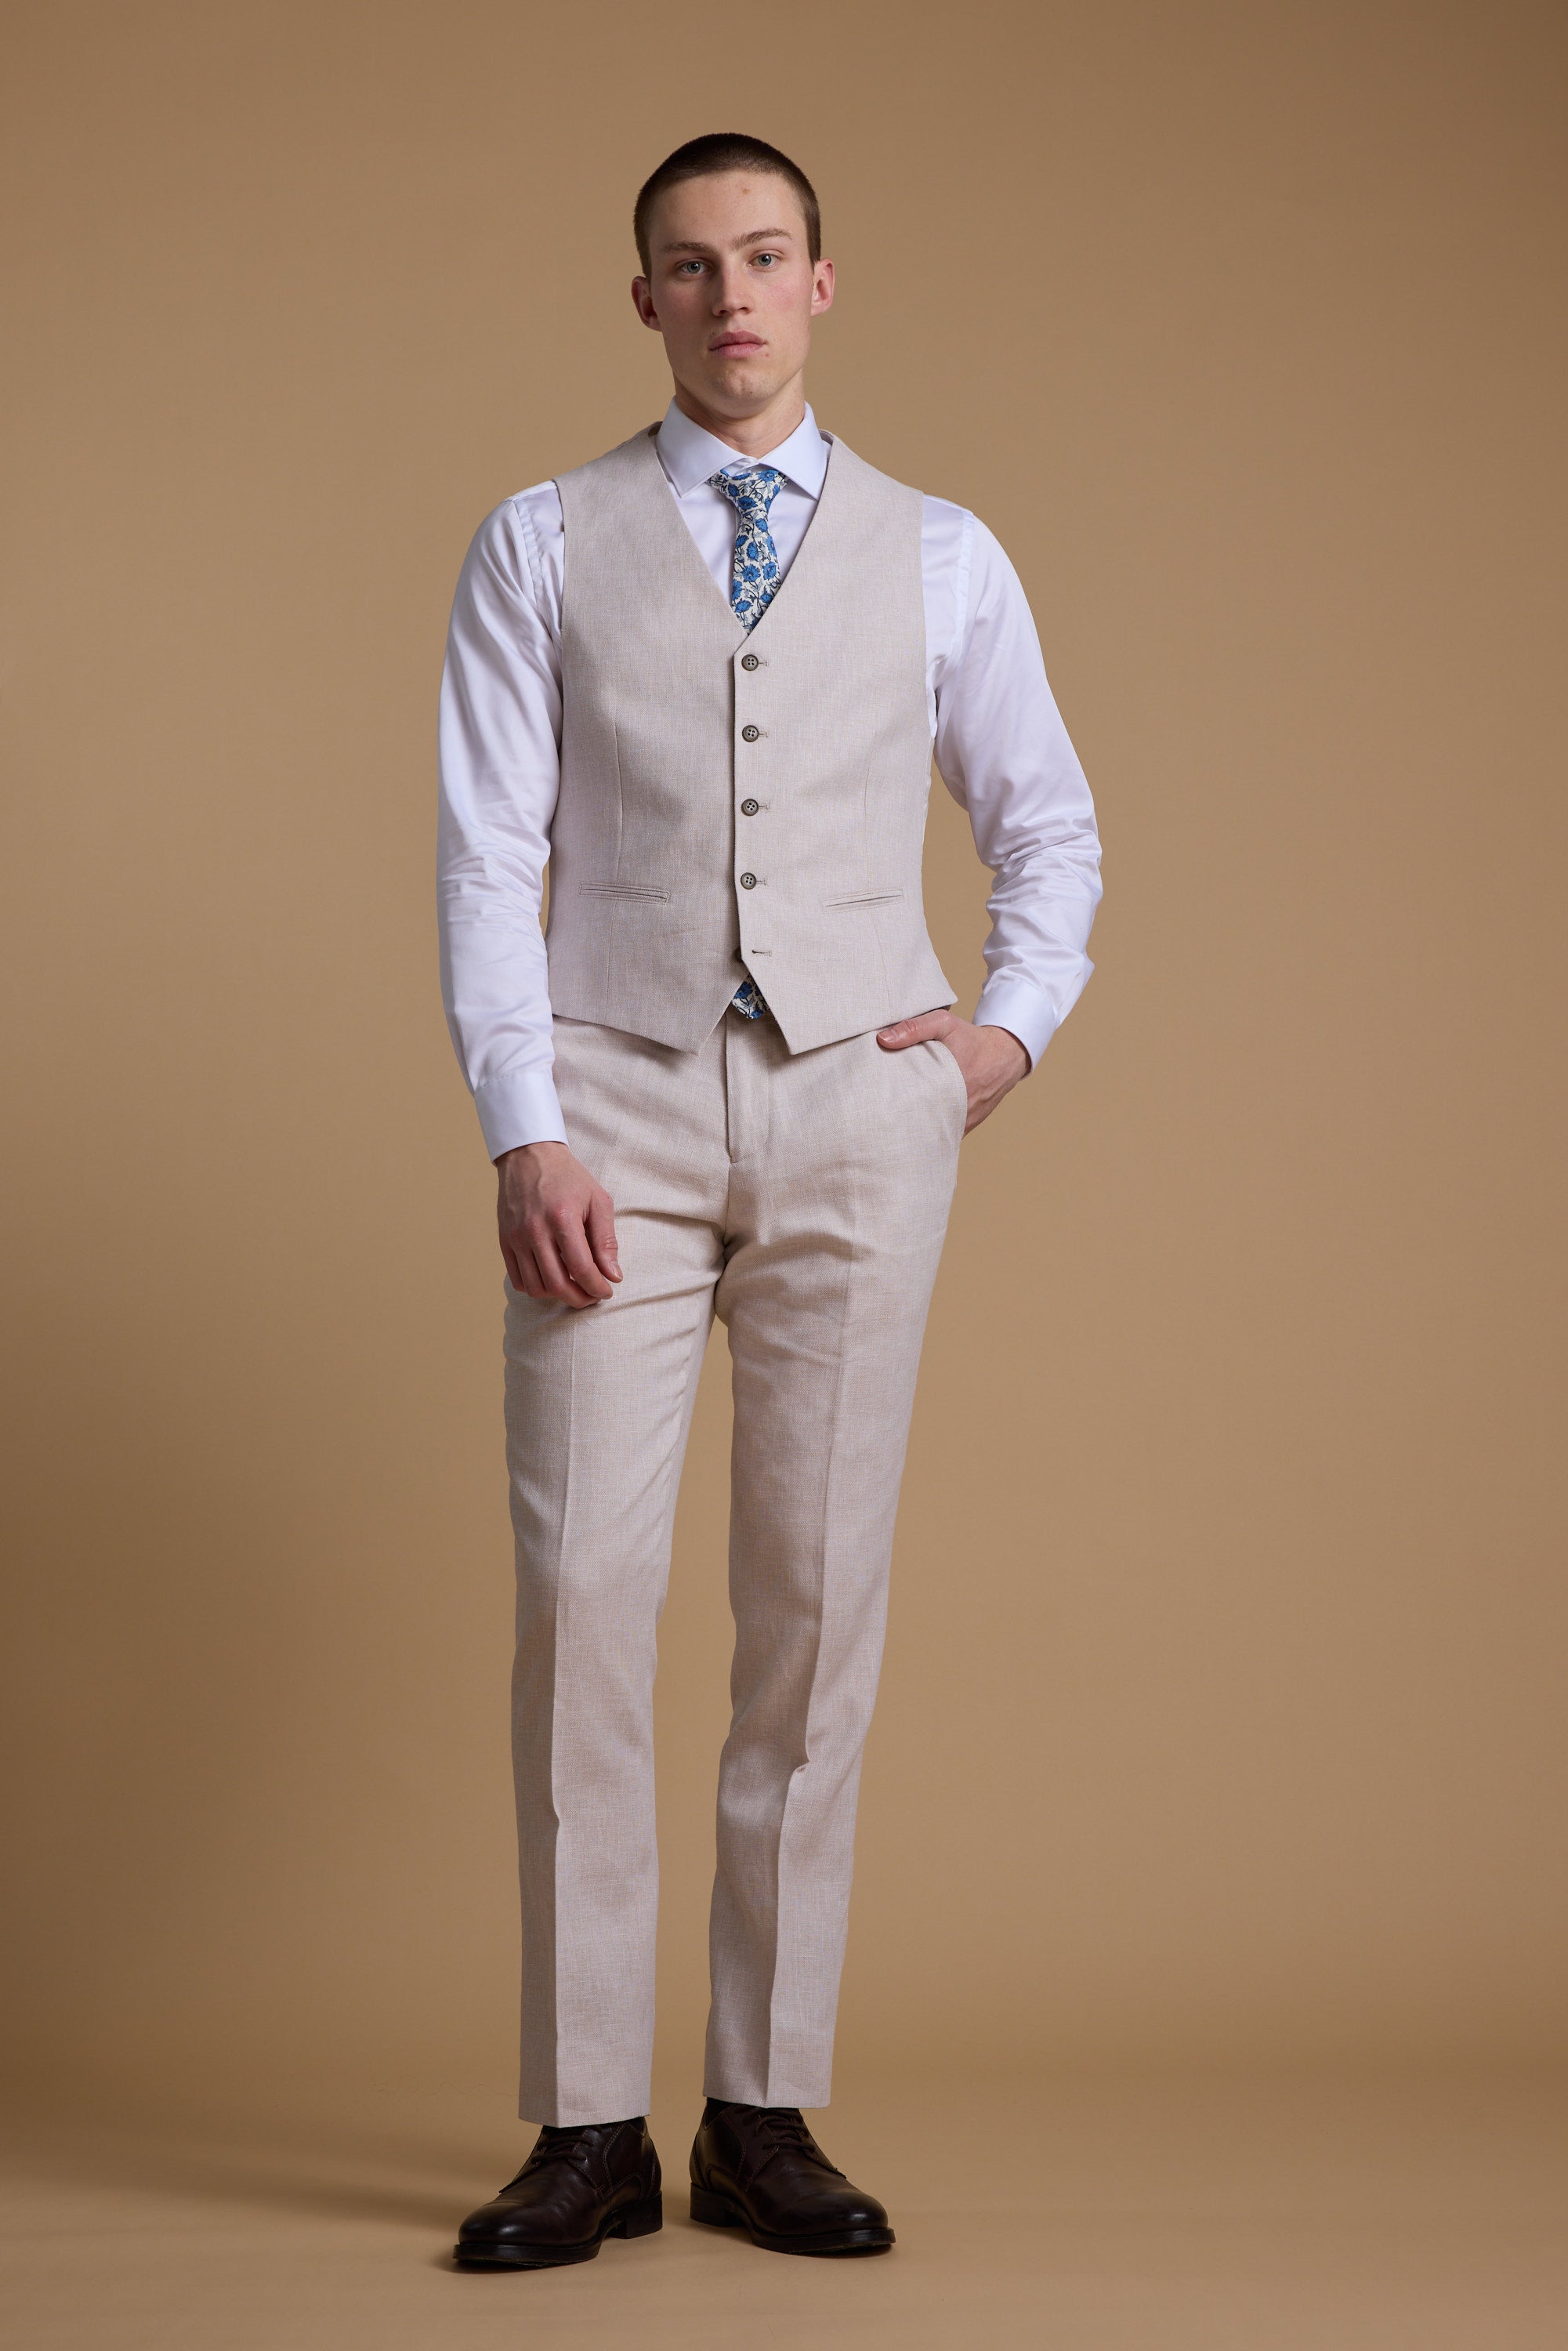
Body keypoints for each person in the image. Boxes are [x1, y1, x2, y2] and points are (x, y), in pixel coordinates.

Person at [436, 132, 1102, 2269]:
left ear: (823, 282)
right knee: (582, 1616)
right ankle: (584, 2124)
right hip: (609, 1113)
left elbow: (1049, 834)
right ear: (639, 300)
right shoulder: (540, 539)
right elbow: (486, 856)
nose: (726, 294)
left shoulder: (941, 556)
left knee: (810, 1620)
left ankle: (757, 2109)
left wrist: (992, 1041)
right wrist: (523, 1126)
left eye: (762, 258)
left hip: (855, 1112)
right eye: (683, 266)